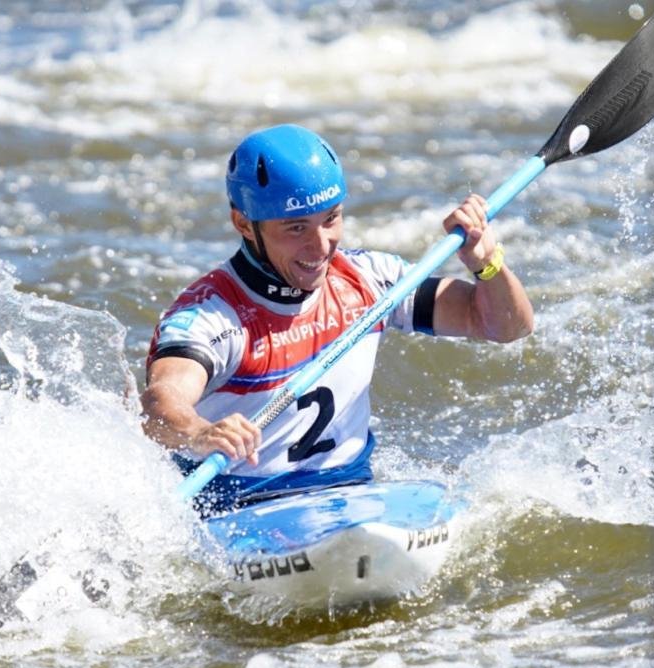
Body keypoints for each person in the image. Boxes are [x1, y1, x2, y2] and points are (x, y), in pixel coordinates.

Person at [140, 123, 533, 513]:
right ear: (244, 224)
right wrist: (200, 433)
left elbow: (505, 327)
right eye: (296, 228)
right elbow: (160, 402)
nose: (320, 245)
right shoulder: (209, 315)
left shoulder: (371, 281)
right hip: (237, 507)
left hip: (348, 493)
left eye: (331, 219)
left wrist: (486, 266)